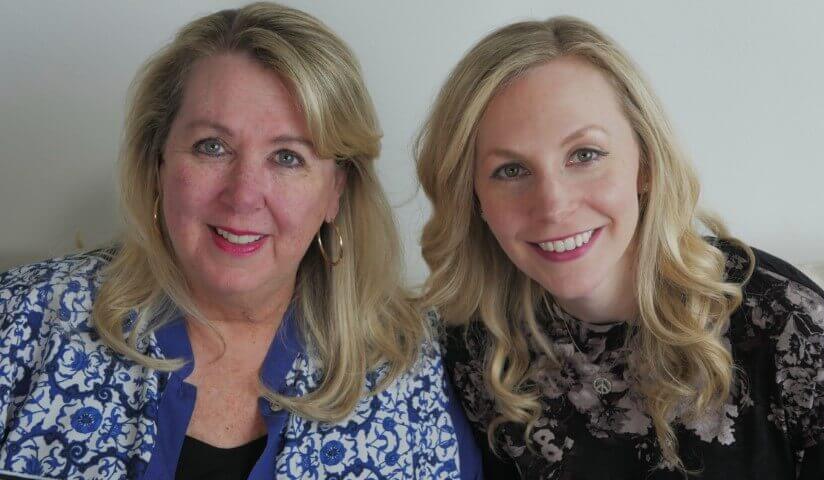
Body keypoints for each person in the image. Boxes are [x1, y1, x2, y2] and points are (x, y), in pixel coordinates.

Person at [0, 3, 481, 479]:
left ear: (337, 190)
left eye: (288, 157)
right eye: (212, 146)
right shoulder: (20, 320)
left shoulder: (415, 367)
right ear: (157, 164)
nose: (244, 195)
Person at [416, 16, 824, 480]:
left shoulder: (788, 325)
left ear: (644, 165)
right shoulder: (472, 348)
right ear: (474, 198)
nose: (553, 206)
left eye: (584, 155)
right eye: (510, 170)